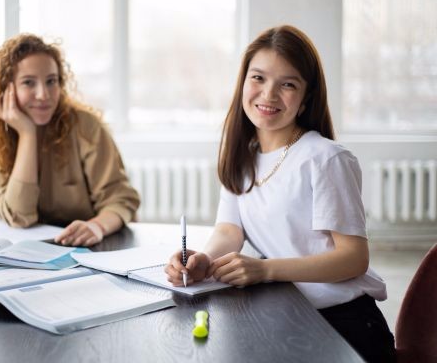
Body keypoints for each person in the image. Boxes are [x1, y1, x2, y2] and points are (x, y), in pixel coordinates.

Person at [165, 25, 395, 362]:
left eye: (287, 84)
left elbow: (354, 258)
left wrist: (265, 269)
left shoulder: (326, 158)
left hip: (345, 324)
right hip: (287, 314)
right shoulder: (242, 154)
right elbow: (230, 230)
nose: (268, 95)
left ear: (305, 99)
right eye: (258, 78)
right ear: (243, 82)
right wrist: (203, 261)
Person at [0, 33, 140, 246]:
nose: (43, 94)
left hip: (93, 248)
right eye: (28, 83)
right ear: (7, 89)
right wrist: (27, 134)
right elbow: (19, 216)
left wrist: (96, 226)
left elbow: (120, 199)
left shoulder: (86, 127)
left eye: (51, 81)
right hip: (31, 254)